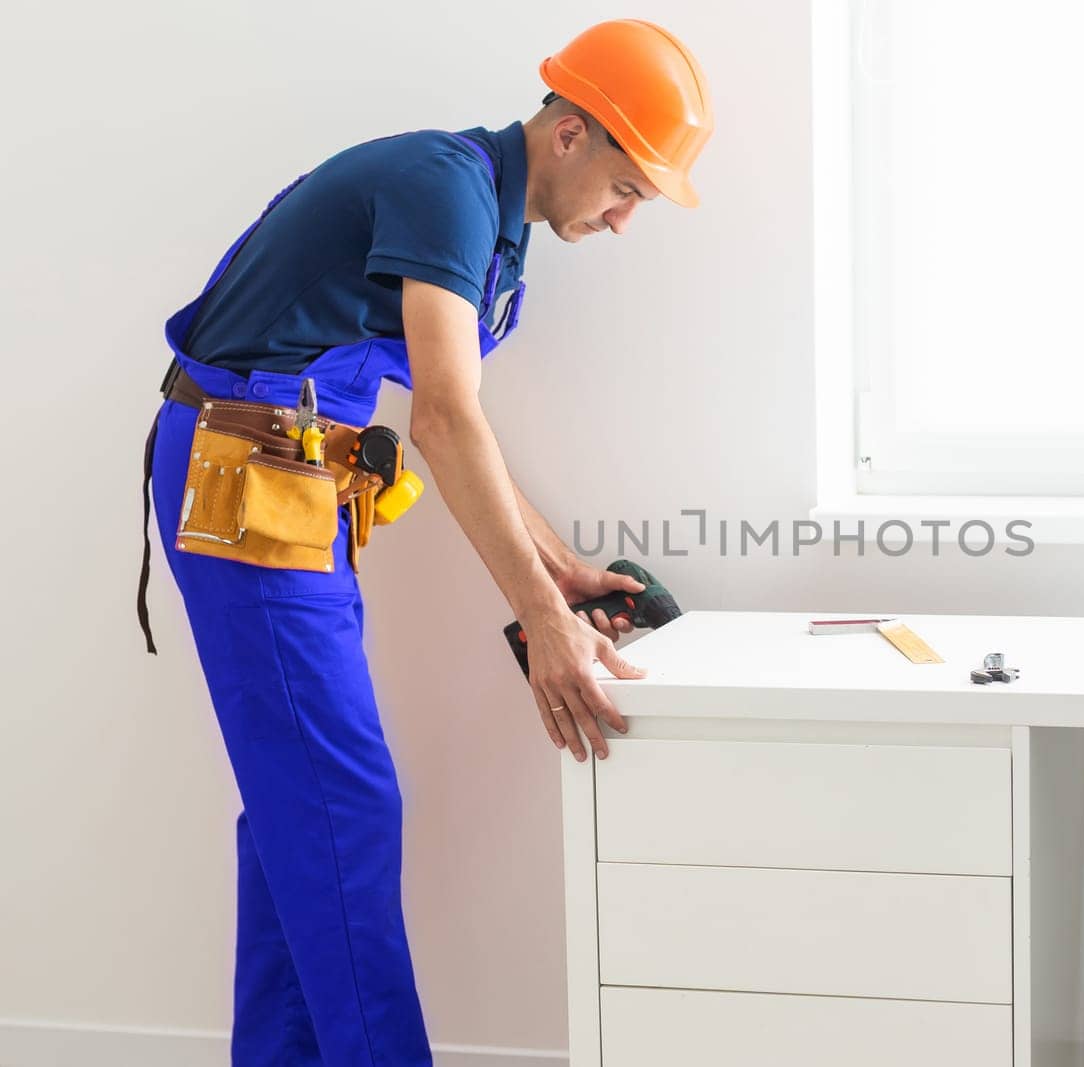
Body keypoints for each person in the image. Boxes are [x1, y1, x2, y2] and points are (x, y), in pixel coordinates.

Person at [134, 18, 712, 1065]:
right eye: (630, 187)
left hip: (295, 490)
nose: (628, 219)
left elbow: (457, 425)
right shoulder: (446, 187)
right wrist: (546, 626)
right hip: (244, 482)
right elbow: (442, 417)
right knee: (342, 798)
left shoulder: (489, 221)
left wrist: (561, 571)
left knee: (295, 804)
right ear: (572, 131)